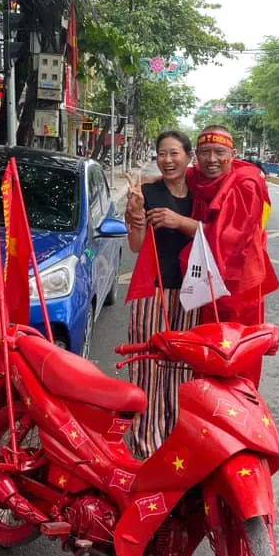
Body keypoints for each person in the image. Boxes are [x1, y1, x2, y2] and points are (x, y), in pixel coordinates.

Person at [180, 125, 279, 387]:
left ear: (232, 154)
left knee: (238, 355)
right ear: (196, 156)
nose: (211, 159)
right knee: (207, 351)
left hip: (239, 284)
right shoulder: (200, 179)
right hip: (208, 282)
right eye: (204, 152)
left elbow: (229, 238)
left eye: (219, 152)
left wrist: (180, 223)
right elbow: (176, 176)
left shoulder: (246, 183)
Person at [124, 130, 199, 458]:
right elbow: (137, 245)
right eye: (162, 154)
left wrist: (178, 220)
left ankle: (178, 443)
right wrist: (137, 214)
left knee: (185, 369)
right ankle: (146, 444)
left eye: (174, 154)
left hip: (192, 293)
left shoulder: (202, 193)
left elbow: (217, 233)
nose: (167, 160)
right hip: (152, 294)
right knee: (150, 367)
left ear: (188, 156)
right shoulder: (148, 191)